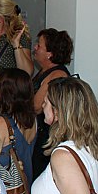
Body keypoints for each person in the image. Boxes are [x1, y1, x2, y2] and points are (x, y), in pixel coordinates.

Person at [30, 28, 73, 178]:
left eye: (39, 45)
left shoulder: (57, 74)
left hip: (48, 135)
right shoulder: (44, 71)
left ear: (50, 53)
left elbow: (36, 106)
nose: (35, 48)